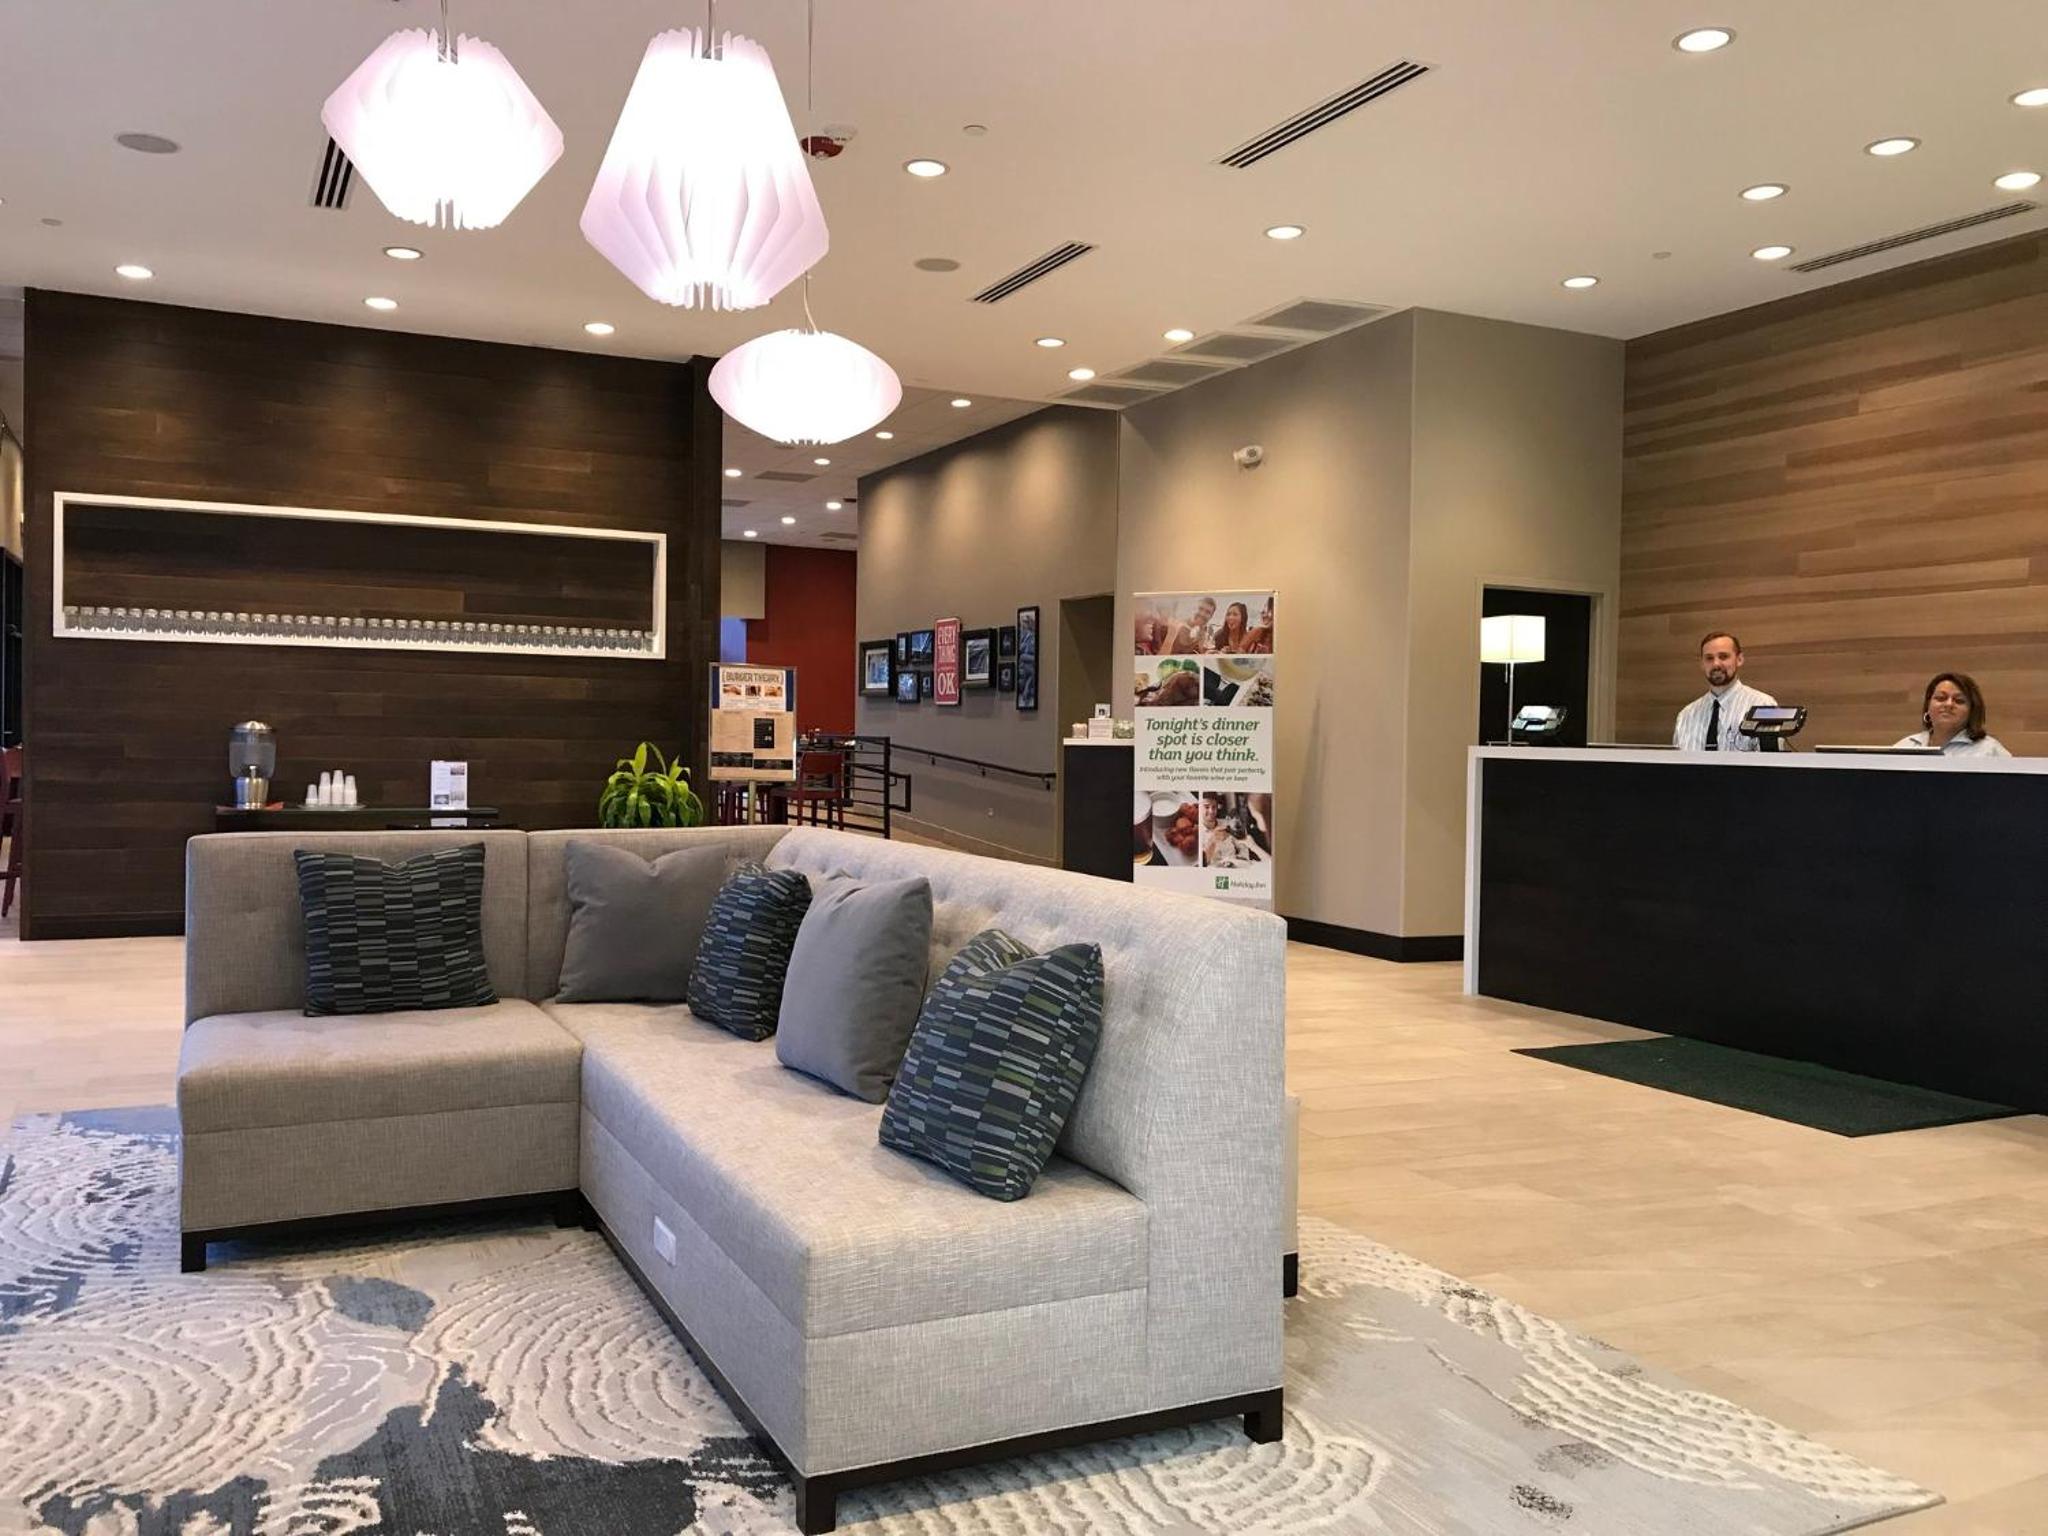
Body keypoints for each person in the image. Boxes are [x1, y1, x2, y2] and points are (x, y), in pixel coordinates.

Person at [1673, 631, 1777, 752]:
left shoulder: (1763, 706)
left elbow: (1772, 761)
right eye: (1709, 658)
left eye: (1723, 656)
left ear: (1739, 659)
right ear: (1702, 664)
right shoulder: (1686, 716)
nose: (1716, 664)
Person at [1893, 672, 2011, 757]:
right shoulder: (1905, 746)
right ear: (1928, 706)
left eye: (1959, 701)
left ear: (1972, 711)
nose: (1948, 704)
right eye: (1941, 698)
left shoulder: (1990, 751)